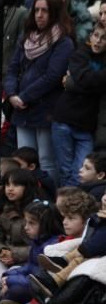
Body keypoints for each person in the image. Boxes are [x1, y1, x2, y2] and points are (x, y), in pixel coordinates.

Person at [5, 0, 75, 185]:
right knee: (23, 161)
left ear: (54, 13)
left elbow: (52, 76)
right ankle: (26, 199)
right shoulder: (26, 37)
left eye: (45, 10)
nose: (39, 15)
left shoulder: (63, 41)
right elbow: (12, 69)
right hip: (21, 109)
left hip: (46, 110)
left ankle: (47, 199)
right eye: (36, 10)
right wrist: (11, 94)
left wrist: (24, 96)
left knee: (45, 161)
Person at [52, 23, 106, 187]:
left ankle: (75, 207)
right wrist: (96, 84)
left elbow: (82, 79)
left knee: (81, 171)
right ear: (90, 36)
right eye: (96, 36)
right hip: (65, 119)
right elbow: (86, 78)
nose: (98, 41)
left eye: (103, 38)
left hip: (87, 125)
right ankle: (66, 208)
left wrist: (73, 82)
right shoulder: (80, 53)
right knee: (65, 170)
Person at [0, 167, 40, 294]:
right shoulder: (1, 210)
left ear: (27, 187)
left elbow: (41, 244)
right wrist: (1, 251)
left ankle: (9, 294)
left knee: (12, 278)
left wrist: (14, 255)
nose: (10, 188)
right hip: (7, 256)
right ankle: (8, 292)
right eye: (7, 184)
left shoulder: (38, 210)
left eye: (16, 185)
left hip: (28, 260)